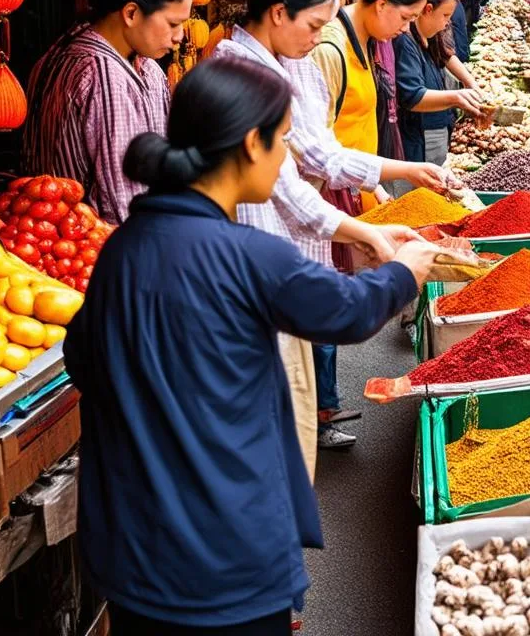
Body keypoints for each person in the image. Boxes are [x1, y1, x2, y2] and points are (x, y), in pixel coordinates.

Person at [64, 57, 437, 635]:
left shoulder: (122, 249)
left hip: (132, 549)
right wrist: (406, 271)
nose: (287, 155)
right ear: (249, 143)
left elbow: (82, 359)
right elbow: (350, 310)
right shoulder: (245, 254)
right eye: (283, 139)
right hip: (224, 553)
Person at [212, 0, 441, 453]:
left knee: (293, 373)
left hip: (290, 243)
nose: (320, 37)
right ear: (278, 13)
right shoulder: (240, 73)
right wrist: (375, 242)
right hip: (269, 248)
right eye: (314, 25)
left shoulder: (289, 60)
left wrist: (379, 211)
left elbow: (315, 160)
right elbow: (299, 182)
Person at [22, 0, 193, 224]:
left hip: (47, 235)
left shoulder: (57, 54)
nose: (179, 36)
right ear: (131, 14)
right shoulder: (104, 74)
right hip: (100, 245)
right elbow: (125, 199)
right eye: (173, 23)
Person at [312, 0, 431, 210]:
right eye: (406, 18)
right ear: (382, 4)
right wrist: (404, 171)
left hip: (356, 190)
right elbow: (318, 149)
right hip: (330, 200)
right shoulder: (330, 49)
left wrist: (374, 185)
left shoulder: (368, 40)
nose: (406, 29)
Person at [393, 0, 484, 166]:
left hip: (438, 127)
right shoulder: (406, 42)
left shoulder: (429, 36)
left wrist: (472, 84)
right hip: (420, 135)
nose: (446, 24)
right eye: (445, 16)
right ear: (428, 10)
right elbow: (413, 97)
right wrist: (457, 98)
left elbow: (446, 56)